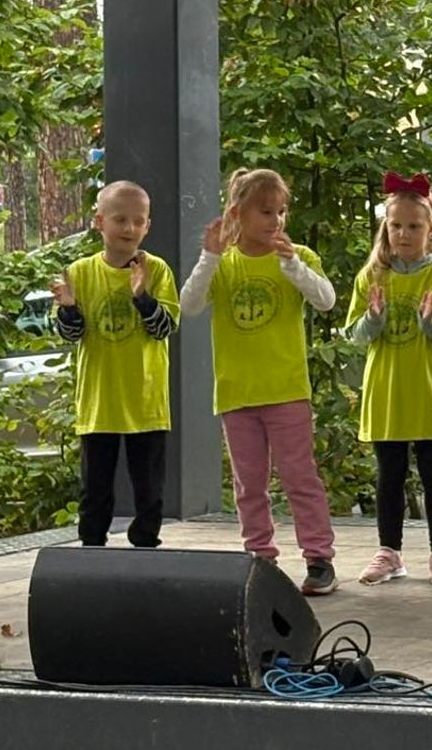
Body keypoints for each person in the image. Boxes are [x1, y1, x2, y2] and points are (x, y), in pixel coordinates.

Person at [178, 168, 340, 595]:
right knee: (249, 484)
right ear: (238, 214)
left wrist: (293, 266)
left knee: (300, 477)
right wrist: (209, 256)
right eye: (266, 212)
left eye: (281, 211)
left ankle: (319, 558)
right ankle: (260, 558)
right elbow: (187, 305)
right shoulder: (224, 263)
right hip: (237, 394)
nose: (276, 220)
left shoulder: (297, 256)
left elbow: (326, 300)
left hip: (287, 390)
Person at [345, 172, 432, 588]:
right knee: (389, 474)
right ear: (386, 226)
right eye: (396, 225)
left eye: (414, 226)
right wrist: (374, 318)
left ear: (430, 229)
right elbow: (355, 335)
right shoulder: (371, 276)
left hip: (430, 390)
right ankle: (389, 552)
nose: (403, 234)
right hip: (387, 391)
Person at [53, 180, 179, 551]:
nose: (129, 228)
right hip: (99, 401)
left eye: (138, 221)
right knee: (95, 487)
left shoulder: (157, 270)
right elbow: (71, 334)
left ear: (148, 226)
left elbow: (164, 328)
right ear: (99, 222)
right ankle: (92, 547)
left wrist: (142, 296)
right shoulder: (79, 272)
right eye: (120, 219)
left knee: (149, 488)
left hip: (146, 401)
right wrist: (69, 307)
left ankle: (146, 545)